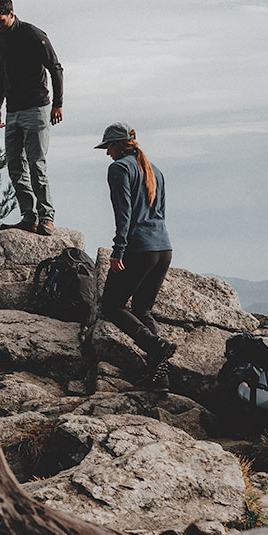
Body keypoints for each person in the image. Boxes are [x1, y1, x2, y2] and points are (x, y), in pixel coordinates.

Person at [96, 122, 176, 382]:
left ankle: (155, 345)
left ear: (118, 145)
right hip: (163, 248)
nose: (107, 152)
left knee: (111, 305)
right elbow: (160, 212)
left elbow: (124, 213)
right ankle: (160, 380)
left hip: (139, 249)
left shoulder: (119, 168)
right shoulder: (156, 170)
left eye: (108, 146)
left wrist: (118, 249)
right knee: (143, 310)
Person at [0, 0, 63, 236]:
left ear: (11, 13)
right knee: (14, 165)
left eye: (0, 20)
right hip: (13, 110)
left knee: (36, 163)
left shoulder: (33, 34)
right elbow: (2, 74)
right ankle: (29, 216)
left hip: (37, 107)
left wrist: (57, 104)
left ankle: (46, 217)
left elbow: (55, 68)